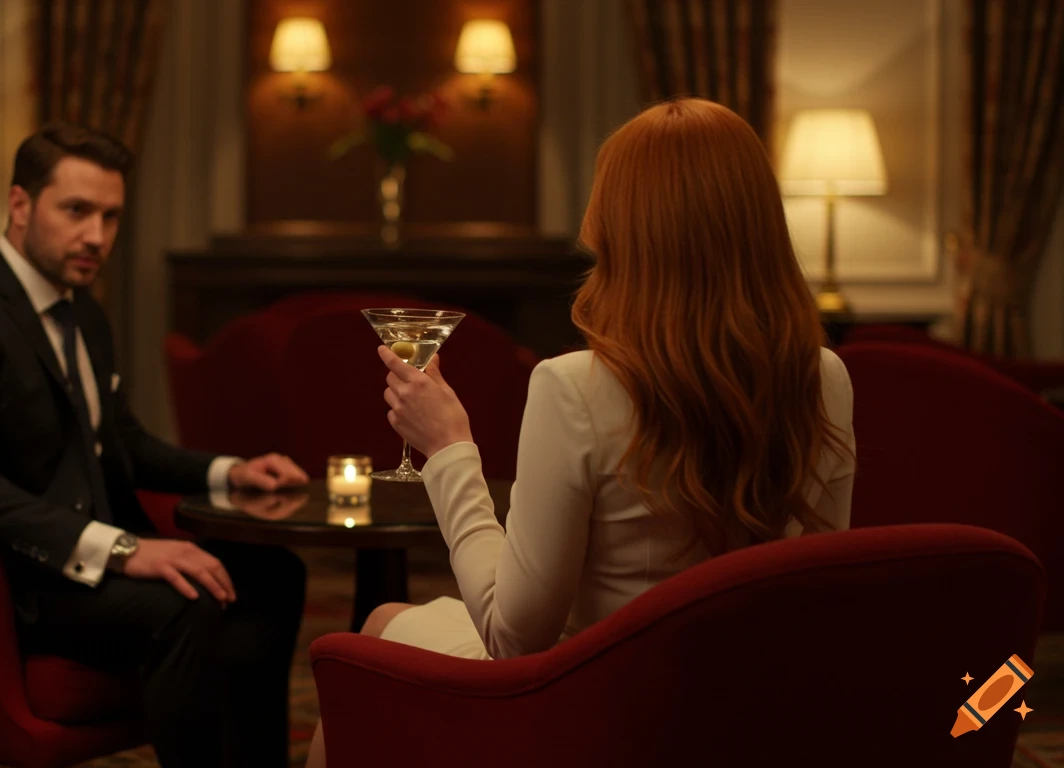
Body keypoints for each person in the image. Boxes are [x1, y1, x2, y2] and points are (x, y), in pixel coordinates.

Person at [306, 97, 857, 766]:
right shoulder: (825, 375)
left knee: (357, 662)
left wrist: (449, 448)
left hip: (602, 711)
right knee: (386, 620)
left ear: (621, 228)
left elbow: (514, 640)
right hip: (752, 707)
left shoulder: (574, 386)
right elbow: (815, 590)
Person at [0, 122, 310, 767]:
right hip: (8, 576)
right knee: (186, 602)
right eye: (77, 211)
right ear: (21, 205)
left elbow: (121, 442)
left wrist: (231, 472)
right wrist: (122, 550)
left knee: (273, 575)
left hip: (87, 556)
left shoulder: (80, 309)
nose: (97, 236)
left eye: (111, 217)